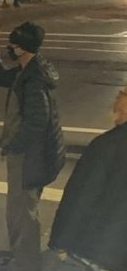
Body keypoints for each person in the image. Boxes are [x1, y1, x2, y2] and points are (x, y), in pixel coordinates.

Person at [0, 24, 66, 271]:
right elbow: (3, 78)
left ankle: (26, 262)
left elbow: (37, 122)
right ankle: (21, 254)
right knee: (21, 207)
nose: (10, 48)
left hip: (30, 155)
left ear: (24, 48)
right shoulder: (27, 70)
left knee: (23, 210)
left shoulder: (33, 80)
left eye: (13, 44)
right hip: (33, 153)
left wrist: (14, 146)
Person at [46, 86, 127, 271]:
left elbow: (81, 196)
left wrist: (59, 242)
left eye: (119, 109)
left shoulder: (107, 145)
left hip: (96, 250)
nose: (115, 113)